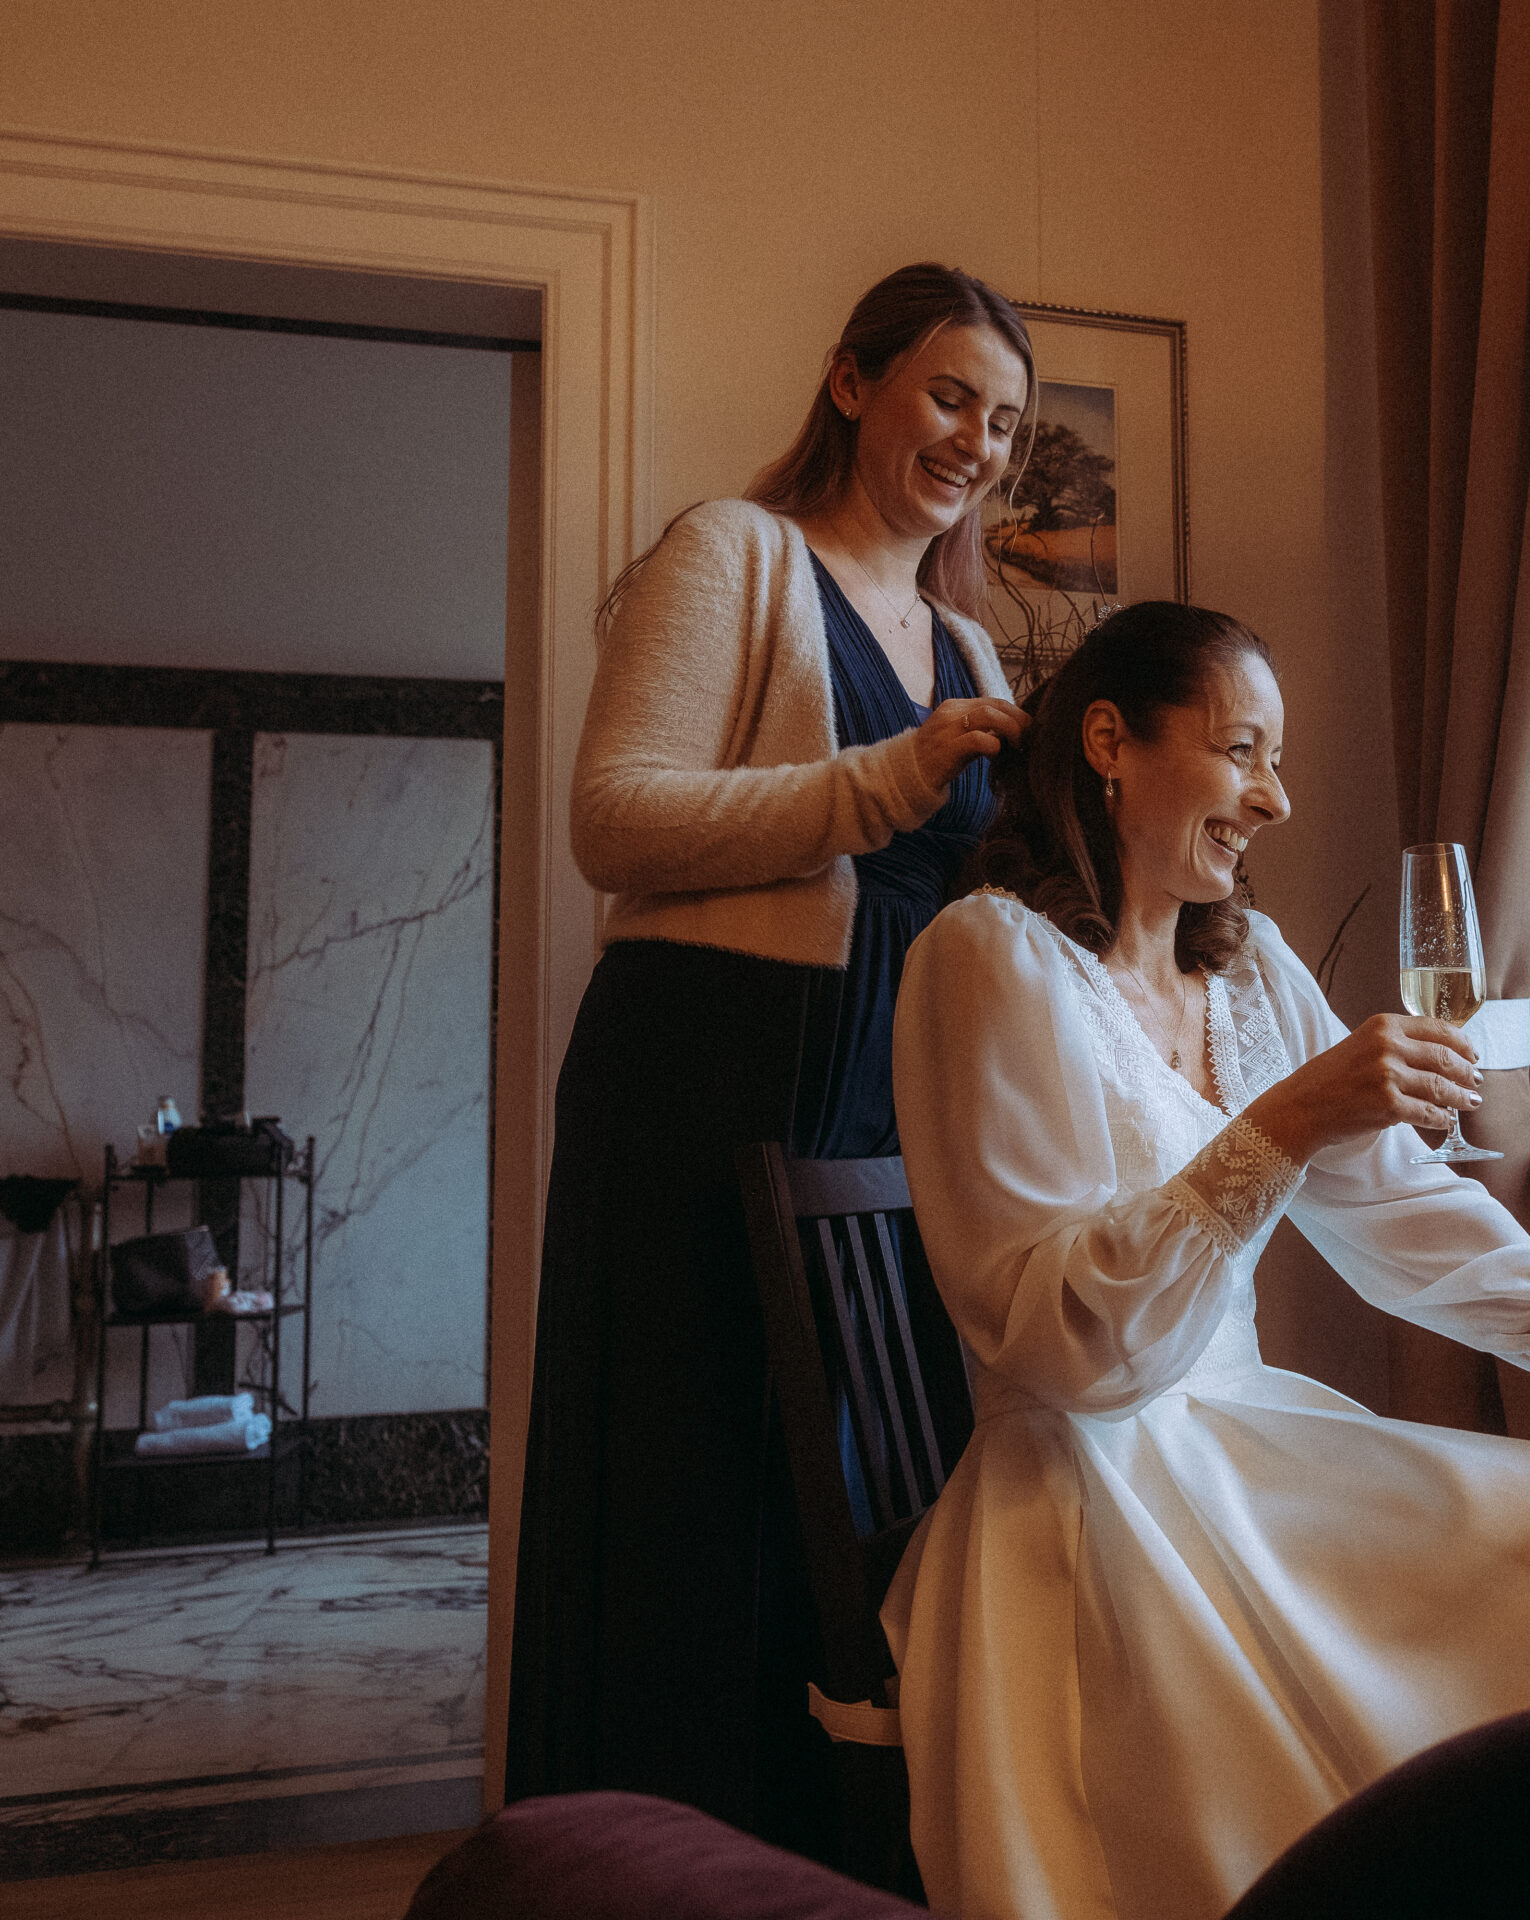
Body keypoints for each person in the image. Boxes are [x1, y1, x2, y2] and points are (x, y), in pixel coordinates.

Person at [886, 602, 1530, 1920]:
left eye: (1277, 762)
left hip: (1253, 1446)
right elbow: (1066, 1352)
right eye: (1242, 752)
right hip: (1089, 1497)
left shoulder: (1252, 972)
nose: (1277, 798)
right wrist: (1290, 1118)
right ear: (1109, 742)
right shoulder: (986, 961)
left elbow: (1405, 1210)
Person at [507, 264, 1034, 1860]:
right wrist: (880, 782)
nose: (979, 443)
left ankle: (826, 1869)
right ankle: (644, 1871)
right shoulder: (732, 553)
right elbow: (614, 820)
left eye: (1006, 423)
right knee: (691, 1505)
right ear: (853, 383)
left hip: (890, 1107)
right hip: (707, 1075)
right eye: (952, 397)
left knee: (859, 1513)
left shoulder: (972, 646)